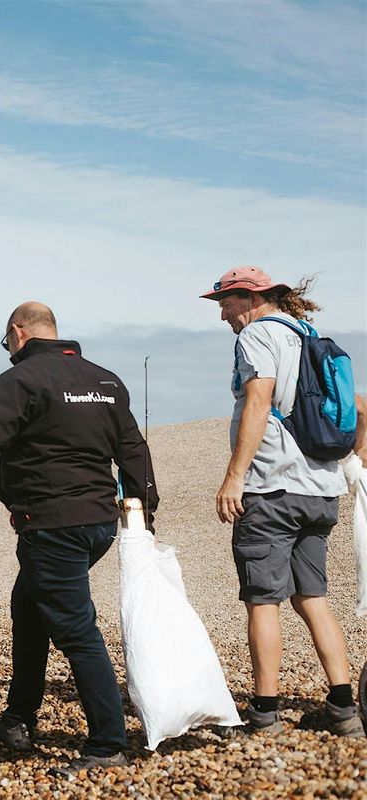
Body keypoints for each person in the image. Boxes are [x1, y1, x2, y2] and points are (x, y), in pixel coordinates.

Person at [0, 301, 158, 778]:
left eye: (8, 343)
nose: (8, 351)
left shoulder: (19, 380)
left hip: (54, 526)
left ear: (18, 333)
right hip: (98, 525)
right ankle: (17, 718)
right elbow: (133, 449)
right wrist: (146, 512)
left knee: (76, 630)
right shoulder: (105, 381)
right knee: (29, 607)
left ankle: (108, 744)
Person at [202, 267, 363, 738]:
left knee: (262, 602)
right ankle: (343, 709)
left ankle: (265, 713)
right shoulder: (308, 336)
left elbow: (257, 402)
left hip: (271, 489)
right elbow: (360, 405)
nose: (223, 314)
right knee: (313, 599)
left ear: (250, 297)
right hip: (321, 491)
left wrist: (235, 479)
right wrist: (359, 454)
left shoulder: (257, 337)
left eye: (225, 303)